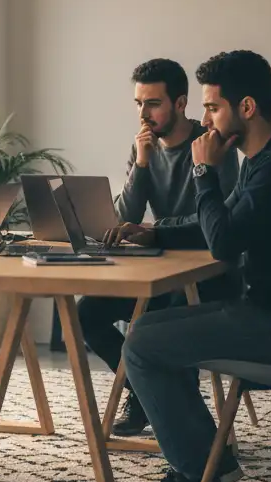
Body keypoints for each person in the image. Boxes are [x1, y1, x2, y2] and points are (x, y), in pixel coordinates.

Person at [106, 50, 271, 482]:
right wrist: (155, 234)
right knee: (156, 330)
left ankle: (198, 474)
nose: (204, 120)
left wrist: (201, 172)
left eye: (212, 108)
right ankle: (206, 465)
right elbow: (216, 225)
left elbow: (221, 244)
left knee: (141, 342)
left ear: (247, 108)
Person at [77, 58, 238, 437]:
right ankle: (143, 392)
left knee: (154, 324)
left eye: (153, 104)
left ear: (180, 103)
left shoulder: (212, 145)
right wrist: (143, 164)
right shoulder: (143, 148)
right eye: (138, 104)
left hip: (208, 274)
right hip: (161, 270)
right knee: (88, 312)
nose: (143, 115)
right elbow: (123, 218)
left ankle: (179, 412)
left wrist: (156, 229)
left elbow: (217, 221)